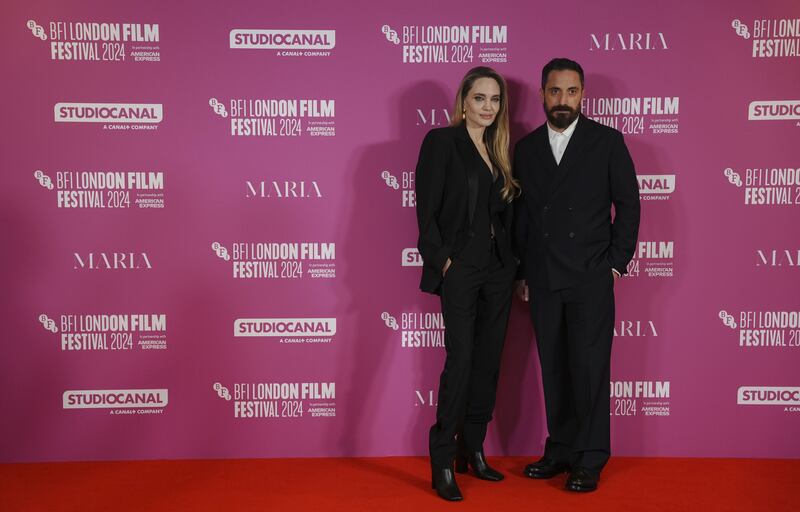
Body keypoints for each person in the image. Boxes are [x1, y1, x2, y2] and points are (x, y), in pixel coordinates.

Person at [513, 58, 640, 492]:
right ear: (542, 93)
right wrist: (524, 271)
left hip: (591, 275)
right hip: (545, 276)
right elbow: (525, 218)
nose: (562, 100)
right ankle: (561, 449)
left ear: (583, 94)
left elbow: (629, 205)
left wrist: (616, 263)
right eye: (554, 91)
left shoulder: (606, 142)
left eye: (570, 91)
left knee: (588, 368)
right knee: (554, 367)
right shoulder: (527, 148)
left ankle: (590, 456)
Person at [414, 66, 519, 501]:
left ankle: (472, 449)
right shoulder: (442, 142)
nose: (488, 107)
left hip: (498, 270)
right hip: (461, 268)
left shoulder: (499, 149)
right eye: (480, 98)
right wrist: (445, 263)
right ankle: (442, 458)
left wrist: (514, 265)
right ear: (463, 101)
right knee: (461, 361)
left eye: (495, 100)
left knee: (488, 360)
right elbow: (426, 212)